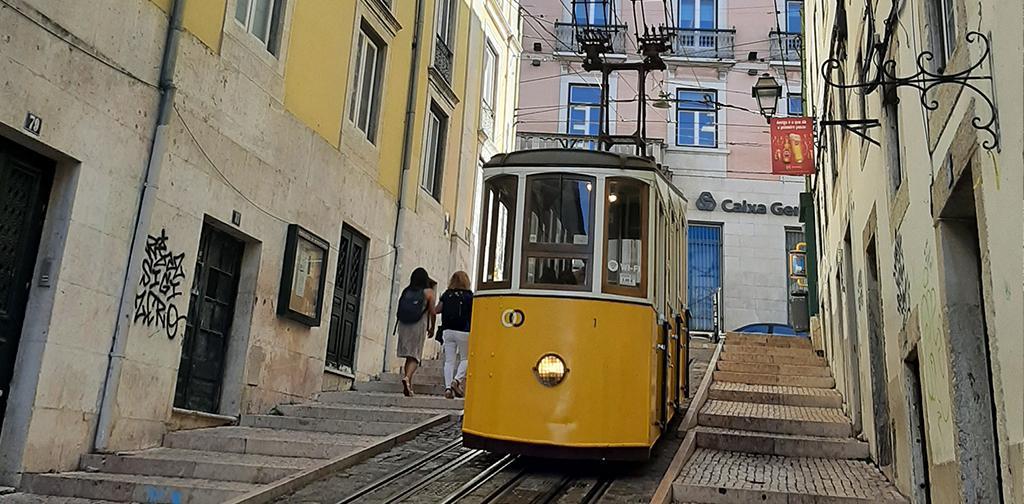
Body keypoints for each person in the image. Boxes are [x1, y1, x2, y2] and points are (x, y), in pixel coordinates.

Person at [395, 267, 436, 396]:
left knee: (409, 355)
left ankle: (408, 386)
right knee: (415, 356)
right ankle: (407, 378)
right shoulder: (429, 292)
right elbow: (432, 312)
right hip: (418, 325)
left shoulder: (406, 290)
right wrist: (432, 327)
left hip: (404, 324)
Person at [435, 271, 473, 399]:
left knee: (449, 361)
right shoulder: (469, 296)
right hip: (464, 331)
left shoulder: (447, 294)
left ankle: (447, 389)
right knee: (465, 358)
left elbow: (437, 310)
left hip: (448, 331)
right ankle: (456, 381)